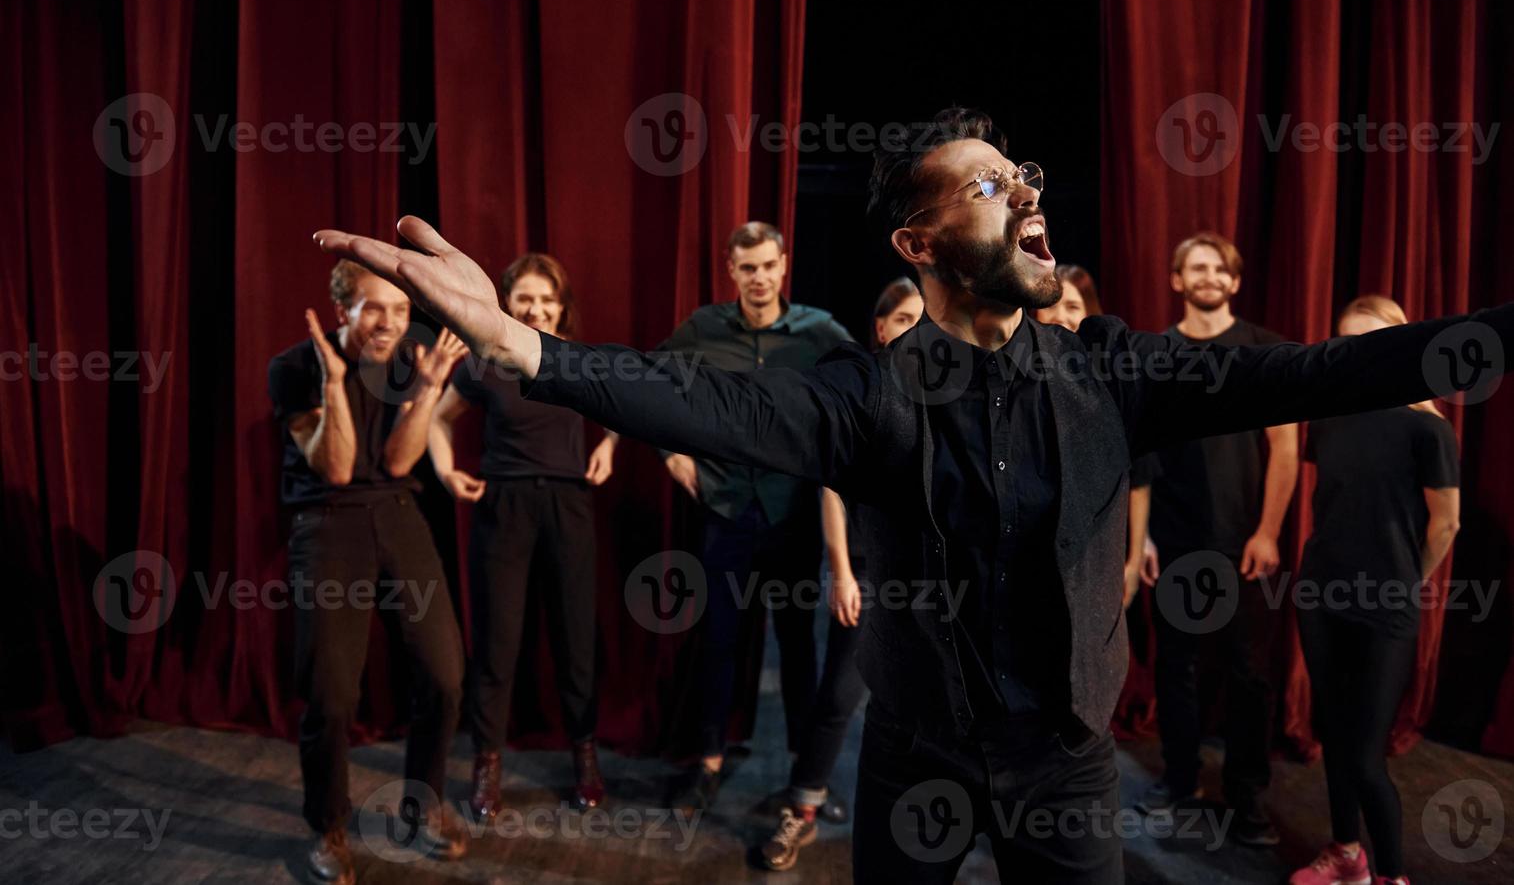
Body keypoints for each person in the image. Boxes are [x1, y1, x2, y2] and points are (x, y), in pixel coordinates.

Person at [313, 106, 1513, 884]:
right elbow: (689, 398)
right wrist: (524, 349)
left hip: (1067, 765)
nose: (1025, 192)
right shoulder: (862, 396)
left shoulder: (1113, 372)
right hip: (919, 758)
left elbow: (1318, 369)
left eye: (1022, 173)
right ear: (918, 242)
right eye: (989, 184)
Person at [267, 260, 470, 885]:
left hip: (398, 512)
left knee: (444, 675)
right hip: (327, 521)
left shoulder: (411, 362)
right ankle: (328, 825)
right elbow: (336, 467)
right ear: (342, 310)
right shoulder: (294, 368)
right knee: (331, 695)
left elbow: (398, 459)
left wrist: (430, 390)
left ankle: (422, 804)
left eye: (401, 310)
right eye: (374, 308)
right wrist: (333, 386)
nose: (389, 322)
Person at [654, 222, 855, 816]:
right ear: (731, 271)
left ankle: (805, 775)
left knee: (798, 648)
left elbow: (863, 392)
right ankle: (708, 764)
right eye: (748, 268)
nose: (760, 278)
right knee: (718, 642)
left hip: (792, 512)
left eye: (769, 265)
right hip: (727, 510)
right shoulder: (704, 328)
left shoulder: (818, 332)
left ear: (784, 264)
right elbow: (647, 382)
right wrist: (672, 452)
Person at [427, 252, 619, 818]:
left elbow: (624, 415)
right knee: (497, 643)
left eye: (545, 299)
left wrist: (608, 445)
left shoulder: (581, 362)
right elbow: (439, 419)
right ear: (507, 302)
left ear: (562, 308)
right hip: (503, 506)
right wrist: (444, 470)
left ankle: (585, 754)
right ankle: (486, 761)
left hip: (568, 506)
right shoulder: (483, 362)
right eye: (524, 298)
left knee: (575, 640)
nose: (535, 307)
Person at [1289, 296, 1461, 885]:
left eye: (1373, 338)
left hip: (1385, 606)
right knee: (1332, 737)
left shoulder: (1428, 428)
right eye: (1347, 341)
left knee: (1364, 756)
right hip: (1319, 596)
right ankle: (1346, 854)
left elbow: (1446, 524)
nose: (1358, 351)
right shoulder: (1329, 416)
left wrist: (1405, 578)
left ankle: (1391, 875)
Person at [1135, 232, 1299, 847]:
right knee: (1176, 668)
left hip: (1244, 545)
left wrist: (1268, 530)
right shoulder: (1152, 353)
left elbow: (1285, 445)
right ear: (1177, 280)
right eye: (1195, 267)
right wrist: (1143, 536)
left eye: (1218, 268)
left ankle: (1247, 796)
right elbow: (1141, 448)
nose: (1207, 276)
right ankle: (1180, 783)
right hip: (1174, 541)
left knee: (1249, 673)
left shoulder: (1265, 350)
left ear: (1234, 281)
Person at [759, 277, 922, 872]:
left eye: (921, 318)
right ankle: (801, 806)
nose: (912, 328)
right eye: (901, 318)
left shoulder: (953, 387)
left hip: (930, 575)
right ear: (880, 327)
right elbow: (833, 487)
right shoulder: (864, 389)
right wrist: (841, 568)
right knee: (840, 693)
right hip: (869, 567)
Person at [1035, 264, 1159, 610]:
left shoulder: (1115, 382)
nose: (1061, 315)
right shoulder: (1016, 378)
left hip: (1100, 552)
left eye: (1073, 306)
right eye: (1052, 304)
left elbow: (1139, 477)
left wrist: (1134, 559)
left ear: (1090, 313)